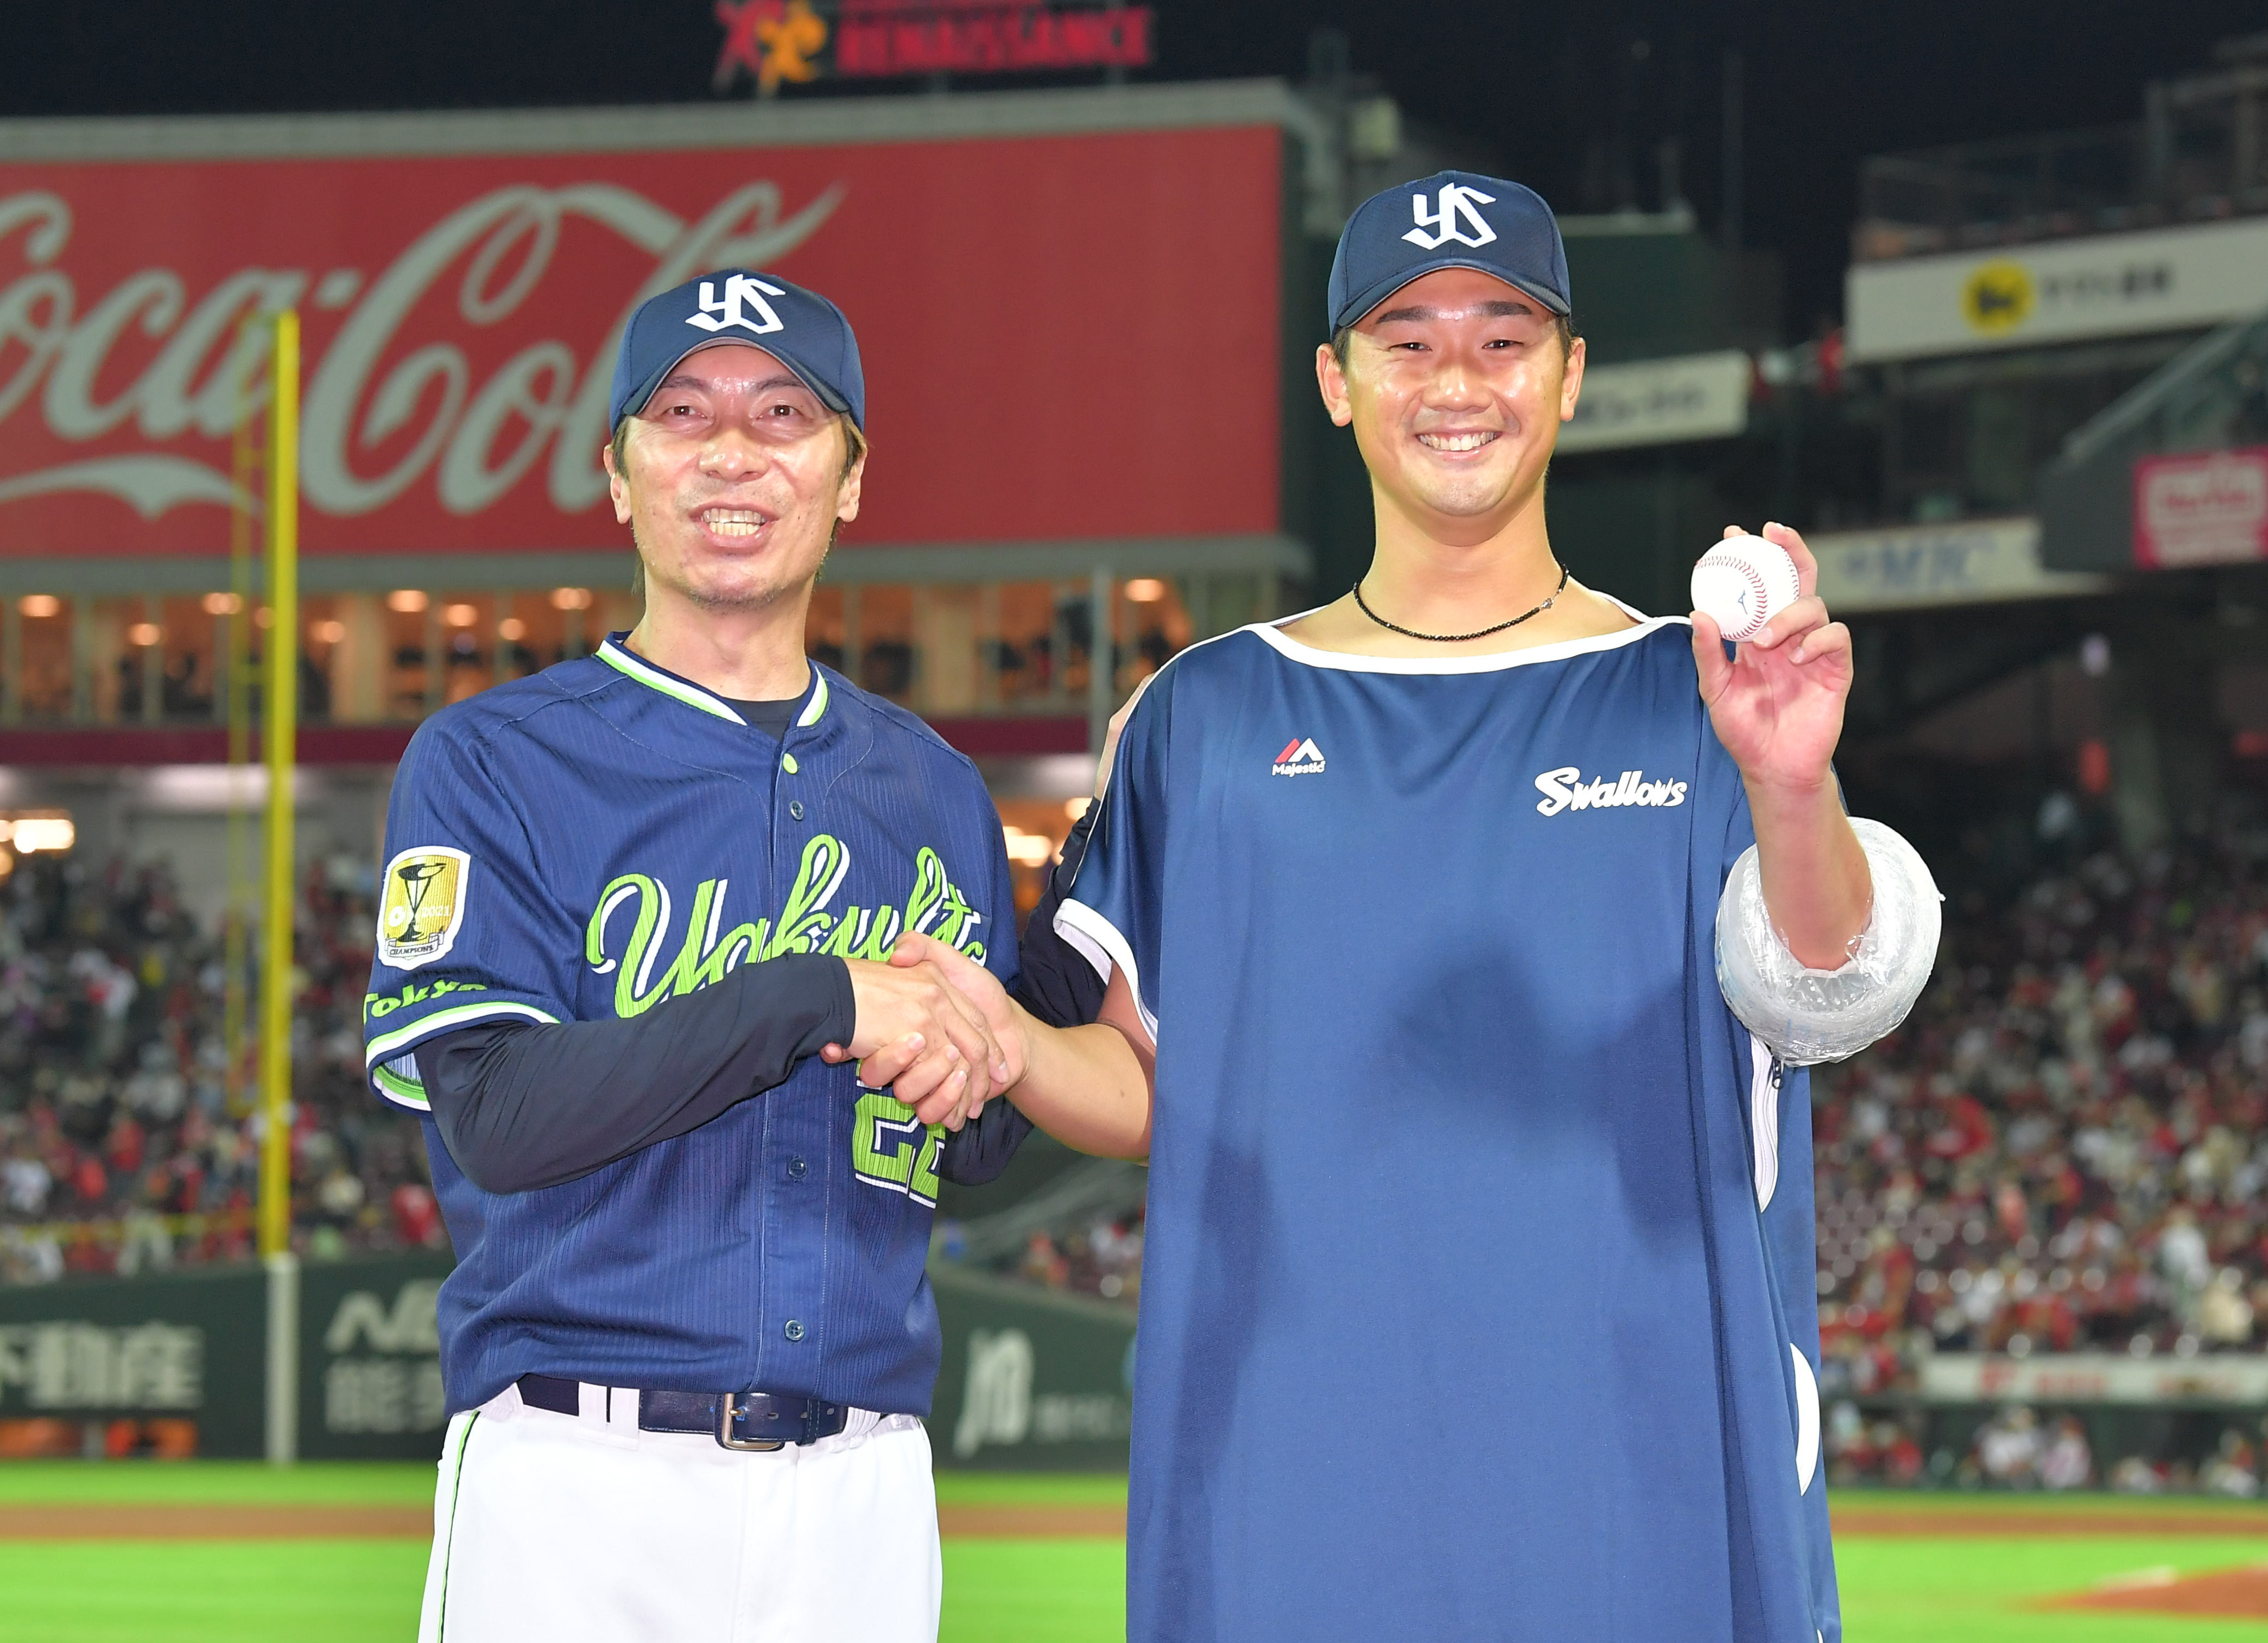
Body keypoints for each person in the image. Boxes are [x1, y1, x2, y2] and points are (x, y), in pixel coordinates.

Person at [872, 173, 1940, 1642]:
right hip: (1289, 1483)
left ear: (1569, 374)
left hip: (1641, 1492)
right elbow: (1146, 1078)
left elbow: (1832, 987)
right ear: (1334, 380)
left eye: (1504, 339)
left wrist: (1795, 783)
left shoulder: (1694, 690)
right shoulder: (1205, 713)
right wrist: (991, 1033)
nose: (1458, 382)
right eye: (1407, 338)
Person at [362, 269, 1034, 1643]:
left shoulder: (936, 791)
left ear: (849, 478)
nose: (732, 450)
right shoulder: (493, 760)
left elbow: (974, 1146)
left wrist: (1002, 1032)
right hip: (574, 1479)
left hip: (861, 1488)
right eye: (682, 414)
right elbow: (495, 1114)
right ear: (618, 474)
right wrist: (816, 996)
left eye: (786, 415)